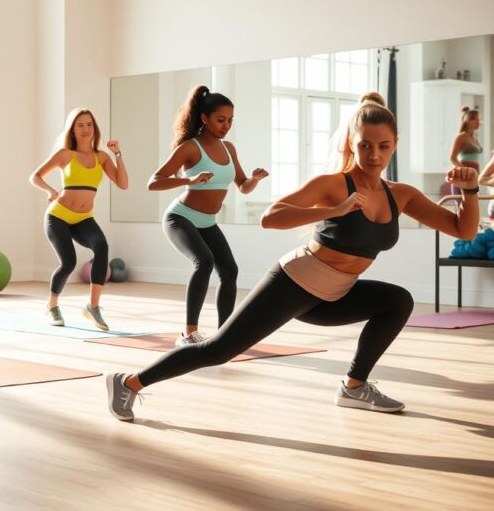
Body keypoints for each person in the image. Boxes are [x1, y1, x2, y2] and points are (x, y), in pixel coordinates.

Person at [106, 92, 479, 422]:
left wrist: (470, 191)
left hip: (336, 295)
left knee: (398, 300)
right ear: (352, 142)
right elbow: (271, 217)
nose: (374, 155)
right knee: (220, 350)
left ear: (395, 145)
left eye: (383, 146)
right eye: (366, 145)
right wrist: (335, 210)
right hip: (295, 282)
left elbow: (462, 230)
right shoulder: (333, 185)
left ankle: (353, 386)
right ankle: (128, 382)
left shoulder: (402, 194)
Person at [148, 86, 267, 345]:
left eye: (230, 120)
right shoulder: (190, 148)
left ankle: (226, 333)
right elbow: (154, 182)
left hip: (207, 222)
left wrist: (254, 180)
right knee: (204, 262)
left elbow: (243, 186)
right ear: (204, 118)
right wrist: (188, 179)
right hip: (180, 218)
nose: (226, 125)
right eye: (221, 119)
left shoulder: (229, 149)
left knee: (230, 270)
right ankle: (188, 333)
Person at [29, 108, 128, 330]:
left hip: (83, 218)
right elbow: (35, 176)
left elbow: (122, 184)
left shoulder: (101, 157)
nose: (85, 129)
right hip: (58, 217)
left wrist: (117, 154)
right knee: (68, 263)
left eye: (89, 124)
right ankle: (52, 306)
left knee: (101, 246)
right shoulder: (65, 154)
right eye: (80, 125)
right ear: (72, 129)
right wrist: (49, 190)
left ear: (95, 128)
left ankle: (93, 307)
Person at [449, 106, 482, 195]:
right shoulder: (461, 137)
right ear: (468, 120)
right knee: (462, 206)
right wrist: (465, 170)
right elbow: (453, 158)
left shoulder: (475, 139)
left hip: (473, 176)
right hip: (463, 176)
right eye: (476, 119)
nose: (479, 122)